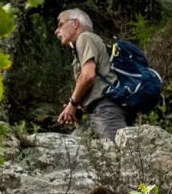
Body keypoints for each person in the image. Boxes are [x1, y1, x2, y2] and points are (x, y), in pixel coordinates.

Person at [54, 8, 130, 142]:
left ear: (75, 24)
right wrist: (79, 107)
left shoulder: (84, 37)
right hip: (95, 113)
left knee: (118, 154)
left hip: (106, 110)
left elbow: (88, 75)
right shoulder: (87, 42)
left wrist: (72, 103)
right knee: (72, 150)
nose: (57, 31)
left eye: (60, 25)